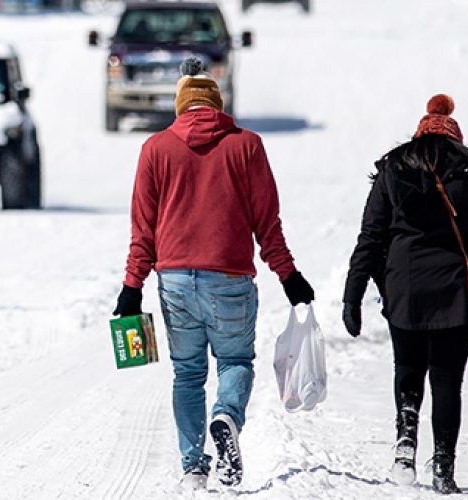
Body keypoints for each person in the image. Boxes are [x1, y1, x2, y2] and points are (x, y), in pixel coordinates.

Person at [113, 56, 314, 491]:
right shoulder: (247, 145)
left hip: (176, 283)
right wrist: (288, 275)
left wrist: (132, 287)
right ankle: (226, 415)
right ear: (218, 106)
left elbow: (142, 229)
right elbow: (268, 222)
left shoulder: (155, 149)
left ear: (180, 106)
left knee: (187, 374)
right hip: (230, 280)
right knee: (235, 361)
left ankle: (194, 468)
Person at [343, 94, 468, 494]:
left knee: (407, 369)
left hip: (404, 288)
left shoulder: (393, 167)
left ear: (420, 133)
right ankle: (444, 466)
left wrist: (353, 295)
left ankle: (405, 443)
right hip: (457, 291)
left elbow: (371, 236)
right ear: (455, 136)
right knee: (447, 381)